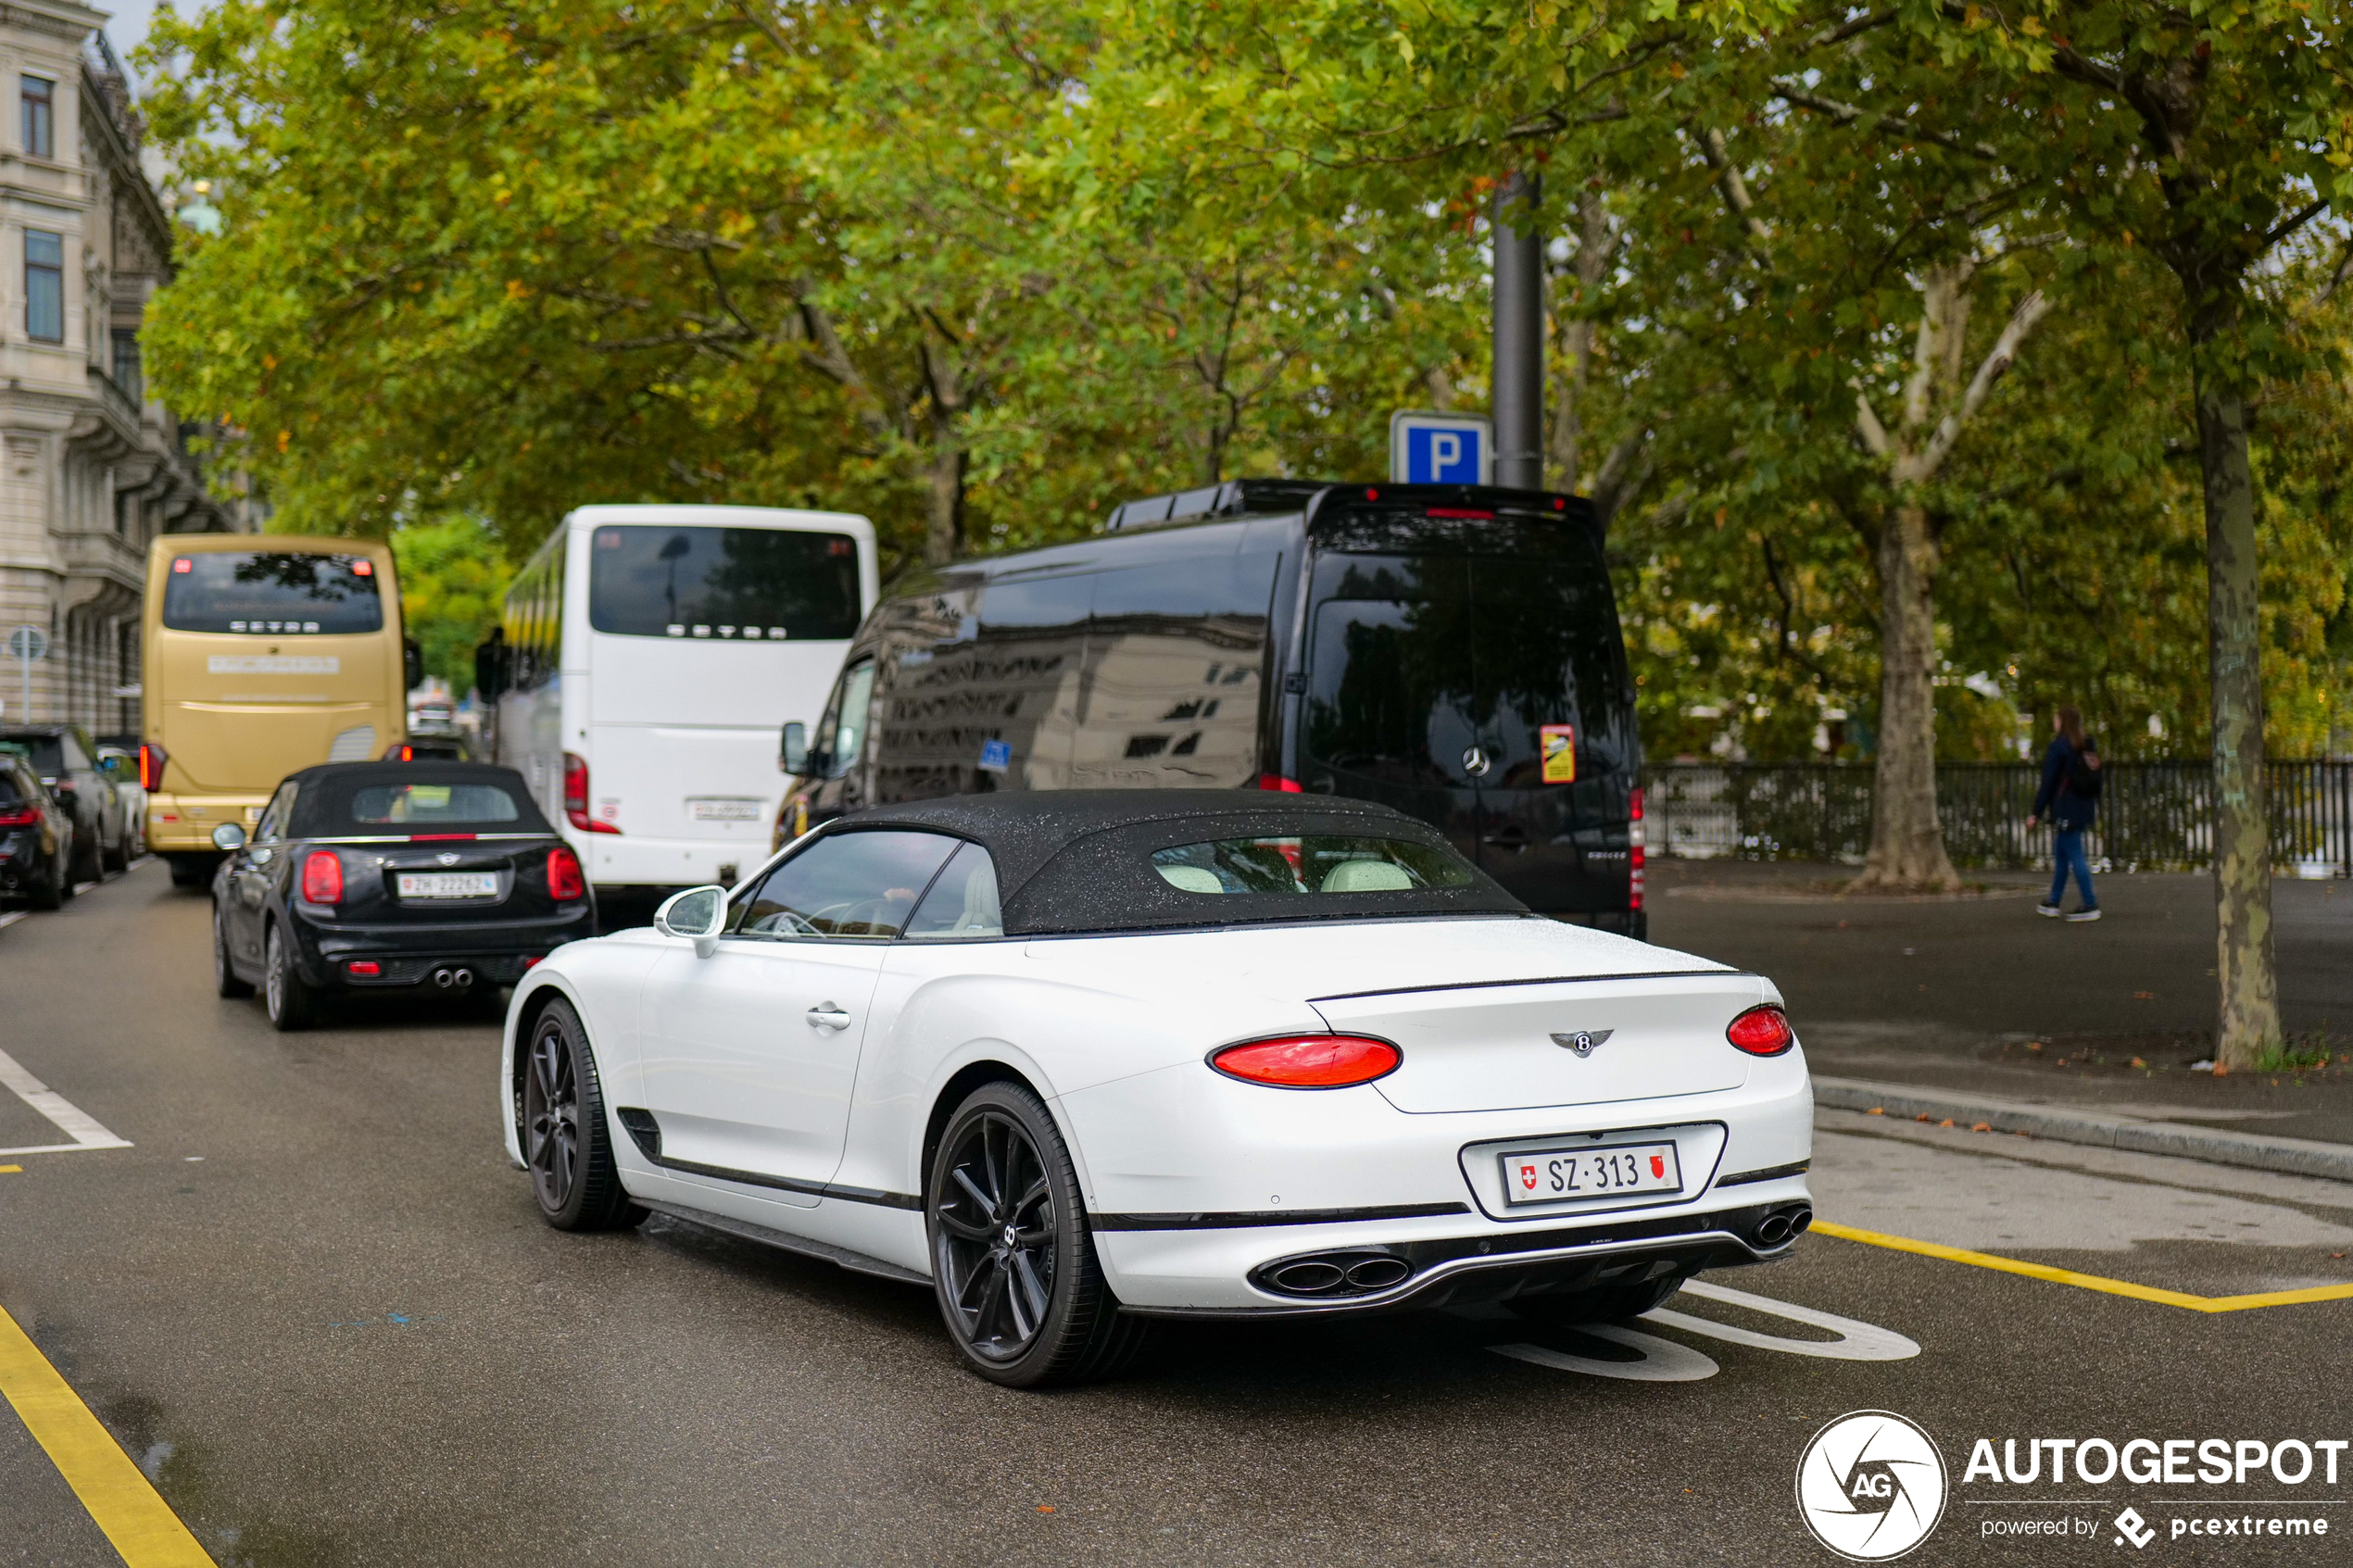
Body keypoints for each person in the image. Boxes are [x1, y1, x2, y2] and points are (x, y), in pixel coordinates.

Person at [2026, 706, 2101, 922]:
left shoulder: (2058, 747)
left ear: (2062, 721)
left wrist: (2036, 813)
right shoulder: (2087, 745)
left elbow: (2048, 783)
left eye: (2056, 719)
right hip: (2084, 805)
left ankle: (2090, 902)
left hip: (2066, 807)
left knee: (2076, 855)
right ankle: (2054, 900)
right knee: (2061, 852)